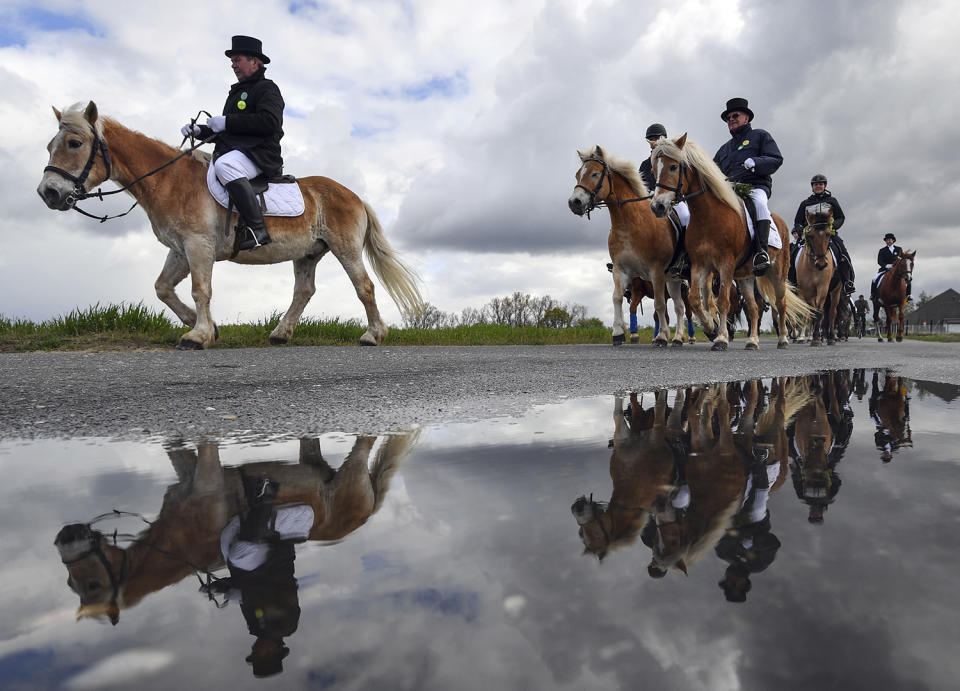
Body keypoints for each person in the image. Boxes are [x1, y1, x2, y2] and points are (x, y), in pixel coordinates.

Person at [181, 35, 285, 250]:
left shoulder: (268, 89)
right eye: (232, 61)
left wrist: (228, 122)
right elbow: (230, 131)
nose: (233, 65)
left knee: (224, 165)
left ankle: (258, 230)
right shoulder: (237, 92)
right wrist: (201, 130)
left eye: (237, 60)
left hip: (260, 154)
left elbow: (269, 122)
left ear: (254, 61)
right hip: (240, 152)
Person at [713, 98, 784, 275]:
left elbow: (776, 159)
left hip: (755, 186)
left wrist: (757, 162)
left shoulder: (760, 136)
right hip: (730, 191)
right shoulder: (723, 149)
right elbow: (713, 172)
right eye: (728, 118)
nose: (731, 119)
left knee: (759, 203)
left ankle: (761, 252)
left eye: (735, 115)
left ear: (746, 118)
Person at [641, 123, 691, 278]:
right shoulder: (645, 164)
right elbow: (639, 185)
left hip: (674, 200)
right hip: (654, 200)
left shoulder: (673, 157)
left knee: (686, 217)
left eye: (657, 137)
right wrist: (647, 192)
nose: (654, 140)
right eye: (651, 138)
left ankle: (686, 258)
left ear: (664, 138)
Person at [793, 174, 855, 294]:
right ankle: (792, 282)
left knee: (843, 254)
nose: (818, 186)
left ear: (824, 186)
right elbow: (797, 221)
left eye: (820, 184)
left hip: (828, 235)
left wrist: (833, 226)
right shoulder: (805, 203)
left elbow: (841, 217)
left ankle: (848, 281)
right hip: (811, 237)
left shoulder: (831, 201)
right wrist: (801, 231)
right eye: (816, 184)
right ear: (812, 187)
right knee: (793, 253)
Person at [872, 232, 911, 302]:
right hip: (885, 269)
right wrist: (886, 265)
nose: (888, 241)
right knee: (874, 279)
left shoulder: (899, 249)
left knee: (907, 278)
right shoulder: (882, 250)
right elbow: (879, 261)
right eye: (887, 240)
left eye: (890, 240)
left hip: (897, 270)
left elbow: (902, 259)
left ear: (893, 240)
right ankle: (874, 295)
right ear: (885, 241)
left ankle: (908, 295)